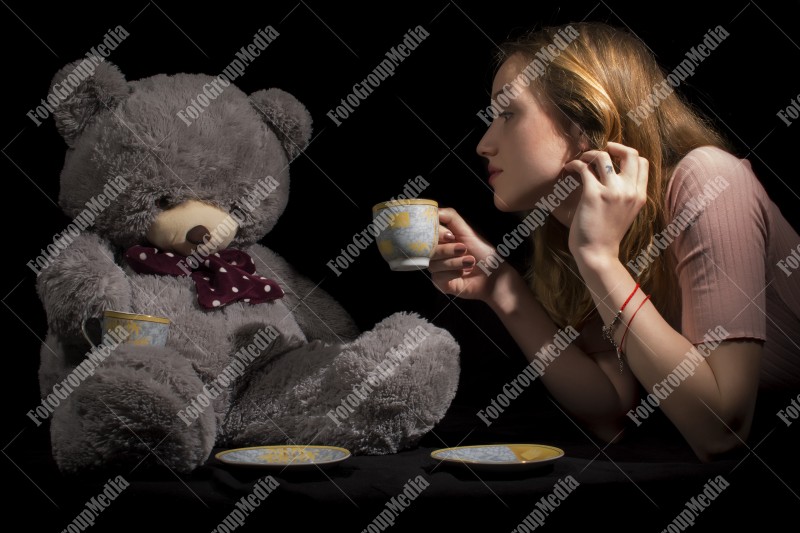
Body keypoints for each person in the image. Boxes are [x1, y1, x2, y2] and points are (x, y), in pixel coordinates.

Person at [429, 21, 800, 461]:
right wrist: (502, 289)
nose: (483, 145)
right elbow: (611, 413)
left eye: (507, 113)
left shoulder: (709, 180)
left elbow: (721, 431)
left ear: (589, 117)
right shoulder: (581, 225)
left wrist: (599, 258)